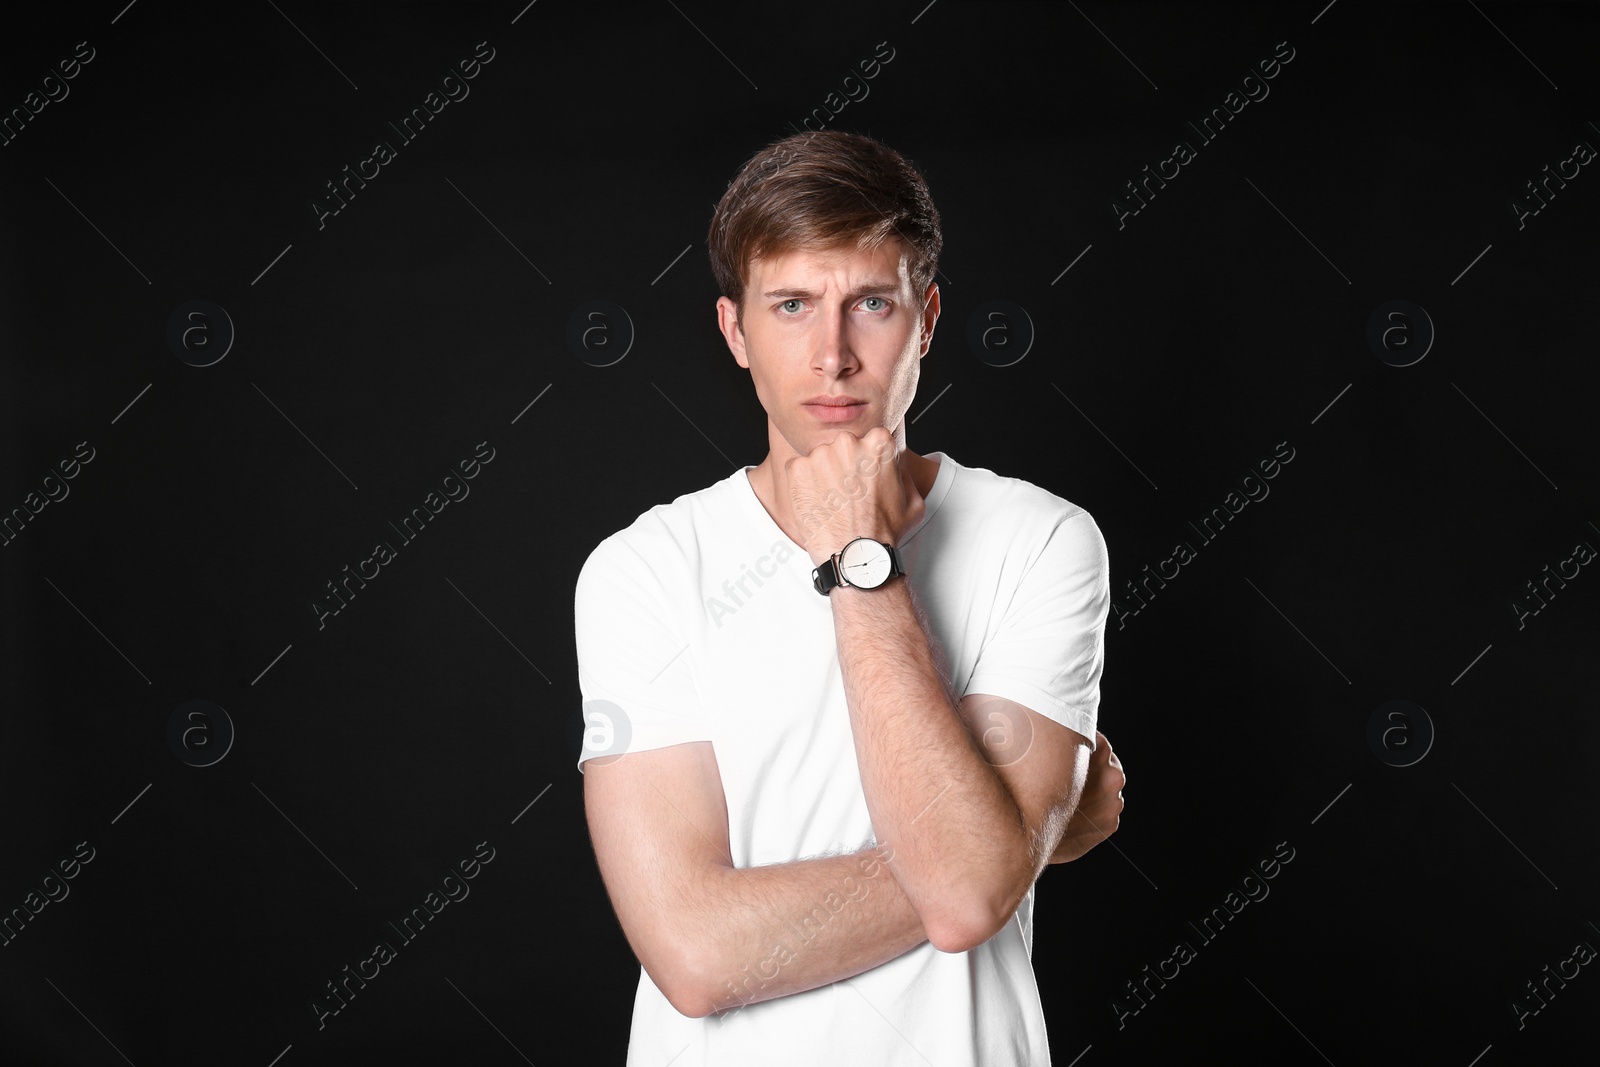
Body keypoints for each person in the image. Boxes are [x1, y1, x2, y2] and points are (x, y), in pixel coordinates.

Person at [574, 129, 1125, 1065]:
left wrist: (856, 554)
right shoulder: (645, 568)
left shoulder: (1042, 540)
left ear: (928, 318)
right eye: (792, 305)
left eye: (870, 302)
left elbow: (969, 896)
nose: (832, 354)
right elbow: (697, 954)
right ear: (735, 331)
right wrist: (1008, 847)